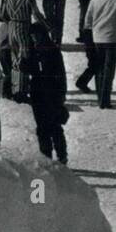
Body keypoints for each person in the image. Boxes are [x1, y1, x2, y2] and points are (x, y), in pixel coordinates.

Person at [83, 0, 116, 109]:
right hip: (113, 39)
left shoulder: (94, 0)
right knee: (109, 70)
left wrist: (89, 34)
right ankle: (105, 99)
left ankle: (100, 98)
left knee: (99, 68)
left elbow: (87, 21)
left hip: (97, 38)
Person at [28, 23, 69, 163]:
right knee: (42, 128)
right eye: (32, 36)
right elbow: (26, 67)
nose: (34, 38)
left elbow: (61, 73)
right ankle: (46, 157)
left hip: (52, 93)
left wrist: (62, 94)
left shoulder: (53, 50)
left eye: (36, 35)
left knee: (54, 126)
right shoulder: (32, 50)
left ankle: (61, 156)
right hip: (37, 93)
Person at [0, 0, 47, 101]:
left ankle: (15, 88)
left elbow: (3, 15)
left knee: (15, 59)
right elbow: (36, 15)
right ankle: (21, 91)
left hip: (11, 28)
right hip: (24, 28)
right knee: (24, 58)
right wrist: (46, 26)